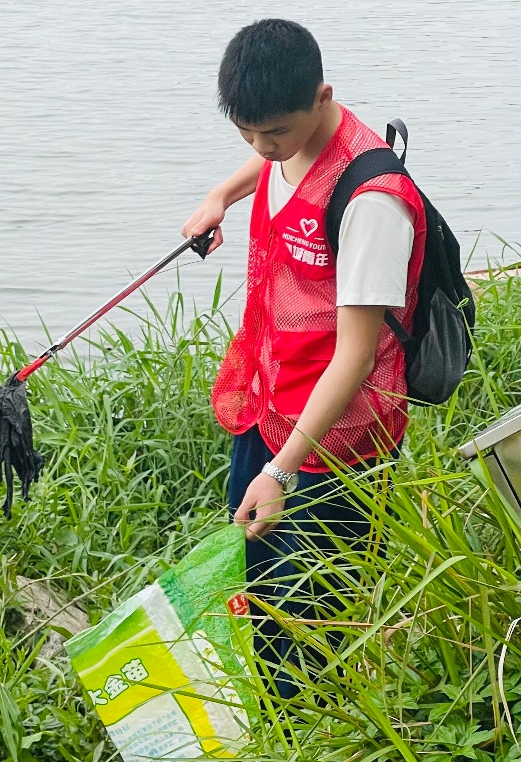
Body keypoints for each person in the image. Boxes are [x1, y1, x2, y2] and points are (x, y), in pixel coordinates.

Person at [182, 19, 426, 692]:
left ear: (323, 97)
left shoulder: (372, 203)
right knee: (252, 591)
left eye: (276, 134)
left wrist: (283, 476)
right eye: (246, 134)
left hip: (334, 447)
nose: (264, 147)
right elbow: (270, 157)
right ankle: (266, 726)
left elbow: (354, 356)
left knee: (312, 625)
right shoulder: (284, 141)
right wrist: (220, 197)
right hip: (268, 407)